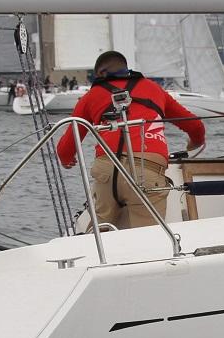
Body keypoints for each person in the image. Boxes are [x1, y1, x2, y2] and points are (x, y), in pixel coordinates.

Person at [56, 50, 206, 230]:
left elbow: (65, 149)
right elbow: (195, 126)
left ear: (101, 73)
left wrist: (67, 160)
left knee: (99, 234)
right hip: (146, 170)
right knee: (145, 237)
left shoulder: (91, 96)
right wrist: (195, 142)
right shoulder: (153, 89)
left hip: (106, 171)